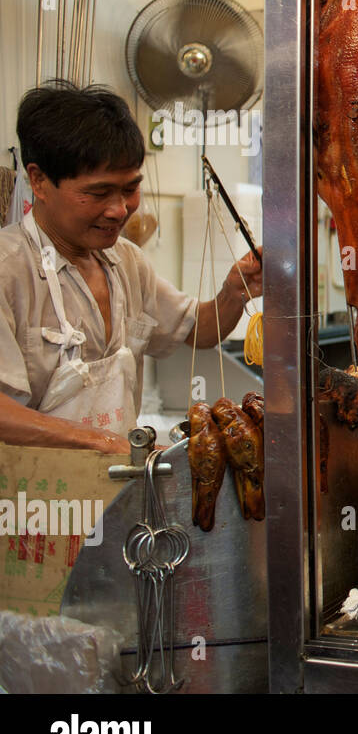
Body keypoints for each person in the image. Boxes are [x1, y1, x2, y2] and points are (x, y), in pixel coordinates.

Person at [0, 82, 262, 455]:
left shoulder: (126, 260)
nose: (119, 209)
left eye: (130, 189)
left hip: (114, 490)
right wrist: (103, 443)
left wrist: (234, 290)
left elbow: (200, 330)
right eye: (98, 193)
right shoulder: (9, 271)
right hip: (32, 500)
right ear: (39, 181)